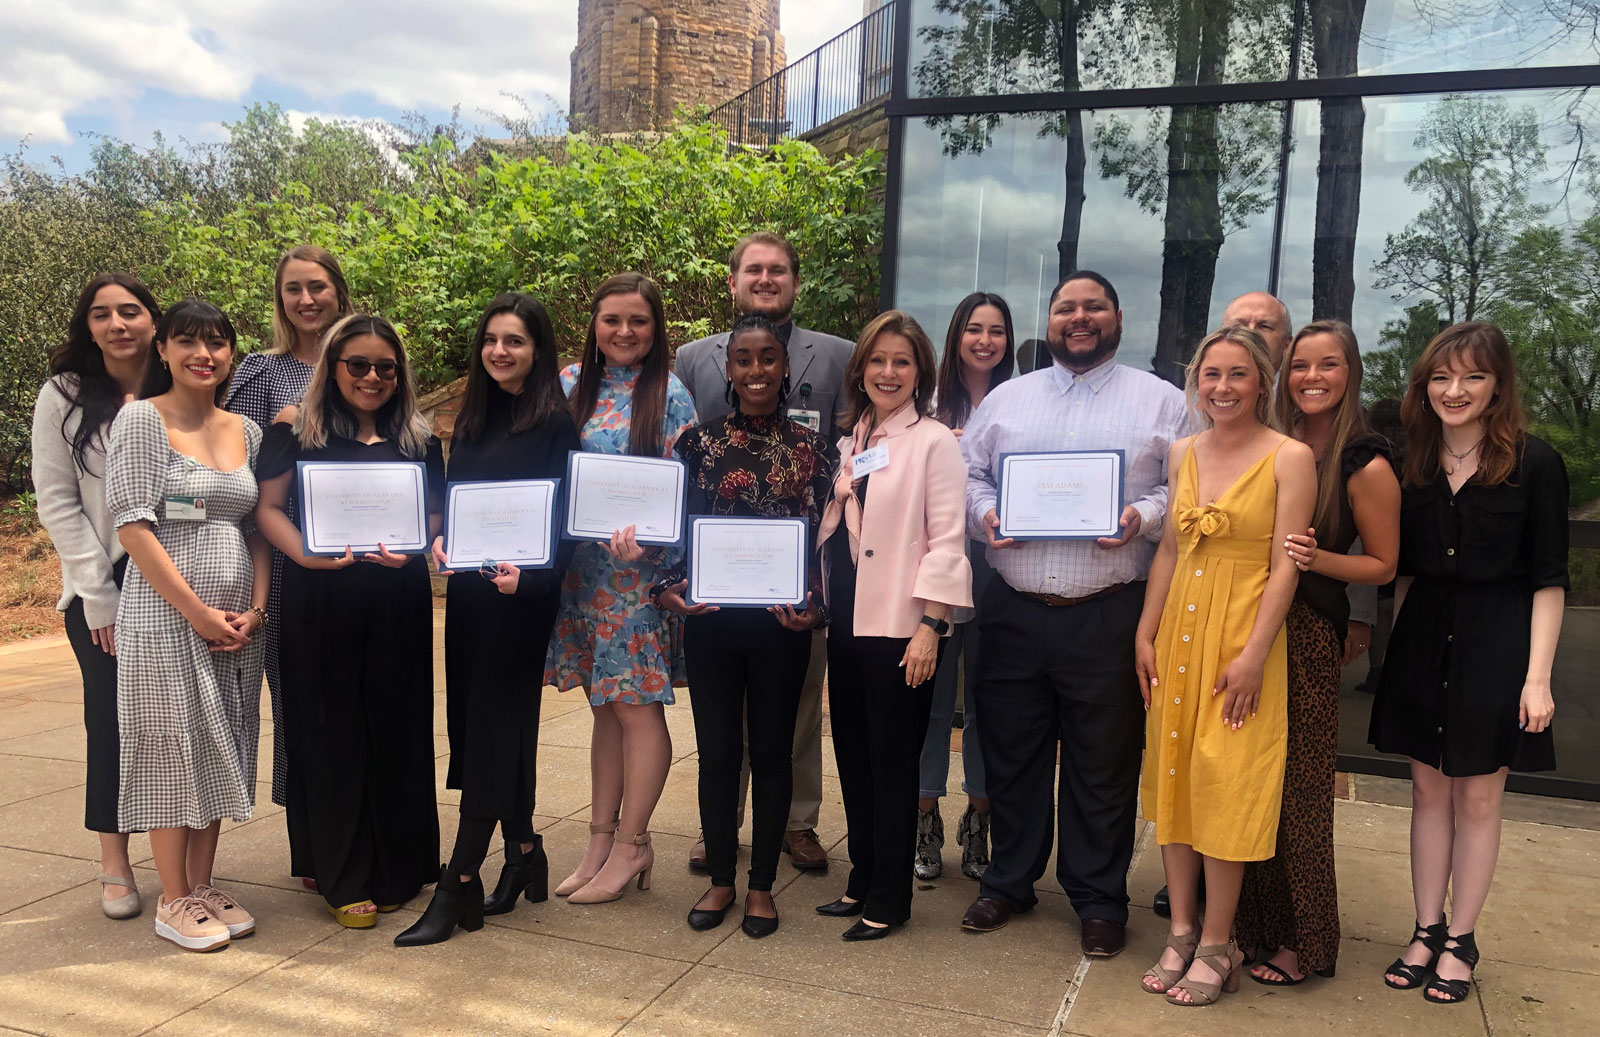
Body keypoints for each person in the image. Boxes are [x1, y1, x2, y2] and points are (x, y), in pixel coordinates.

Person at [957, 271, 1188, 959]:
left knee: (1104, 762)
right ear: (1050, 319)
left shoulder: (1164, 404)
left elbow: (1189, 487)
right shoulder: (1007, 399)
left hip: (1108, 610)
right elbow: (970, 475)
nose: (1079, 318)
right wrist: (987, 513)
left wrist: (1141, 516)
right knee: (1012, 752)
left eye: (1093, 307)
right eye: (1065, 308)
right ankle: (1010, 878)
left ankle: (1097, 896)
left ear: (1118, 316)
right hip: (1014, 609)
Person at [1369, 323, 1567, 1004]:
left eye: (1473, 377)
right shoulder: (1410, 462)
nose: (1455, 390)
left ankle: (1461, 938)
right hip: (1424, 639)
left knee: (1479, 797)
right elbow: (1401, 574)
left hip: (1499, 644)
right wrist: (1391, 652)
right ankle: (1425, 928)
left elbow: (1548, 578)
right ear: (1424, 385)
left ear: (1497, 384)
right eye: (1442, 377)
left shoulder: (1534, 464)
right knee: (1427, 792)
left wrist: (1537, 677)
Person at [1134, 326, 1316, 1006]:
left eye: (1238, 374)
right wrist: (1144, 634)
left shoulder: (1289, 457)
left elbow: (1285, 567)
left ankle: (1220, 940)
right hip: (1178, 635)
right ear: (1196, 381)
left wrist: (1253, 655)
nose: (1223, 387)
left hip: (1241, 640)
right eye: (1211, 374)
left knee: (1227, 786)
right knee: (1175, 779)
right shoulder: (1183, 450)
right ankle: (1180, 929)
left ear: (1262, 381)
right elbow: (1170, 553)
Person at [398, 294, 580, 945]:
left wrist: (528, 577)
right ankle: (526, 850)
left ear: (538, 351)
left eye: (516, 341)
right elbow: (454, 505)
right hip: (472, 598)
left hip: (520, 600)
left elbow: (565, 525)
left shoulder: (556, 425)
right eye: (493, 339)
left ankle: (459, 882)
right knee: (486, 726)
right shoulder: (469, 421)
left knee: (493, 733)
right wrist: (442, 541)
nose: (501, 350)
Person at [253, 314, 442, 929]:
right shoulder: (292, 428)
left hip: (398, 600)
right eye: (357, 364)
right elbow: (268, 509)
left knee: (396, 727)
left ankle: (397, 867)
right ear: (332, 366)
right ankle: (340, 873)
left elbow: (435, 515)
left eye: (385, 367)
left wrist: (417, 545)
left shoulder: (418, 436)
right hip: (320, 599)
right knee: (330, 731)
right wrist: (305, 552)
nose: (371, 377)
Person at [674, 231, 853, 872]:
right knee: (721, 736)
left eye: (779, 270)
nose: (767, 278)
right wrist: (673, 580)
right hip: (719, 600)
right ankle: (721, 830)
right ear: (733, 280)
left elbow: (837, 500)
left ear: (795, 282)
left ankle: (797, 824)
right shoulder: (690, 360)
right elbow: (681, 499)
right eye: (755, 269)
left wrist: (822, 599)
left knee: (795, 716)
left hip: (787, 595)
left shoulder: (840, 357)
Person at [652, 313, 835, 938]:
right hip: (710, 621)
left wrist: (816, 606)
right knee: (720, 755)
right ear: (727, 368)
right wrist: (668, 591)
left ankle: (762, 887)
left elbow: (823, 544)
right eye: (744, 360)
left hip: (781, 627)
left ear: (784, 367)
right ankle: (722, 880)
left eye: (768, 359)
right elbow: (676, 530)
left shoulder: (812, 451)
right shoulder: (696, 445)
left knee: (773, 754)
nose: (756, 370)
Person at [1235, 321, 1401, 985]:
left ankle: (1308, 939)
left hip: (1306, 635)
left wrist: (1316, 559)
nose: (1311, 376)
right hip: (1251, 625)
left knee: (1301, 791)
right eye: (1300, 364)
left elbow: (1385, 565)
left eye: (1327, 365)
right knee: (1255, 783)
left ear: (1349, 372)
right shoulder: (1275, 442)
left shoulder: (1367, 462)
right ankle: (1258, 925)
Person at [105, 300, 269, 952]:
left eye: (217, 342)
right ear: (165, 352)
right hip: (166, 616)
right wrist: (197, 612)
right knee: (173, 746)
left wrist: (254, 610)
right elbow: (134, 523)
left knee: (220, 740)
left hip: (237, 623)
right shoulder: (142, 420)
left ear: (232, 352)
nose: (205, 353)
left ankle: (201, 884)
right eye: (189, 342)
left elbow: (247, 523)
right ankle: (172, 896)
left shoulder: (245, 430)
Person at [813, 310, 973, 941]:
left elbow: (948, 540)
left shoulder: (934, 441)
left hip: (903, 626)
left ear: (920, 373)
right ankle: (862, 875)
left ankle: (890, 897)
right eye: (877, 360)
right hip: (848, 621)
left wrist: (932, 625)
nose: (888, 371)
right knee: (853, 754)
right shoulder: (853, 442)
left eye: (901, 362)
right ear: (861, 369)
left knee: (894, 762)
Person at [547, 272, 698, 904]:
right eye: (613, 320)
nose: (625, 332)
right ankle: (600, 840)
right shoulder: (567, 387)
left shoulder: (672, 394)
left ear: (656, 328)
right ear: (595, 325)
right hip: (583, 576)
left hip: (636, 582)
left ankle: (634, 844)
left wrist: (659, 545)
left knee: (637, 712)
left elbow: (687, 490)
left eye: (638, 321)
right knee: (604, 710)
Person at [31, 274, 159, 920]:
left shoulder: (179, 385)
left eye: (131, 311)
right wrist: (95, 593)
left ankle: (181, 860)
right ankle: (114, 861)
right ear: (88, 326)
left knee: (170, 722)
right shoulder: (64, 395)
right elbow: (55, 499)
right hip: (102, 585)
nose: (118, 324)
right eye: (103, 314)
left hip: (172, 579)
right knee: (111, 725)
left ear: (153, 321)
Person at [224, 245, 350, 877]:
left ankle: (358, 833)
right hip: (285, 559)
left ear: (339, 292)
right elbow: (237, 471)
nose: (306, 300)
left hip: (361, 560)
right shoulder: (258, 373)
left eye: (318, 287)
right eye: (294, 289)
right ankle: (310, 850)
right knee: (296, 705)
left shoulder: (366, 360)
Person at [915, 291, 1015, 881]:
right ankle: (924, 812)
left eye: (996, 331)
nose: (984, 341)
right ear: (955, 336)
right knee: (927, 698)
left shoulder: (1025, 402)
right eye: (973, 329)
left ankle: (980, 818)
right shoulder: (926, 403)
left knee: (987, 703)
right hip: (935, 571)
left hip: (1001, 571)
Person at [1220, 291, 1292, 369]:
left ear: (1287, 345)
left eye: (1264, 326)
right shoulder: (1207, 380)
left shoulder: (1303, 380)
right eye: (1238, 326)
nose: (1250, 333)